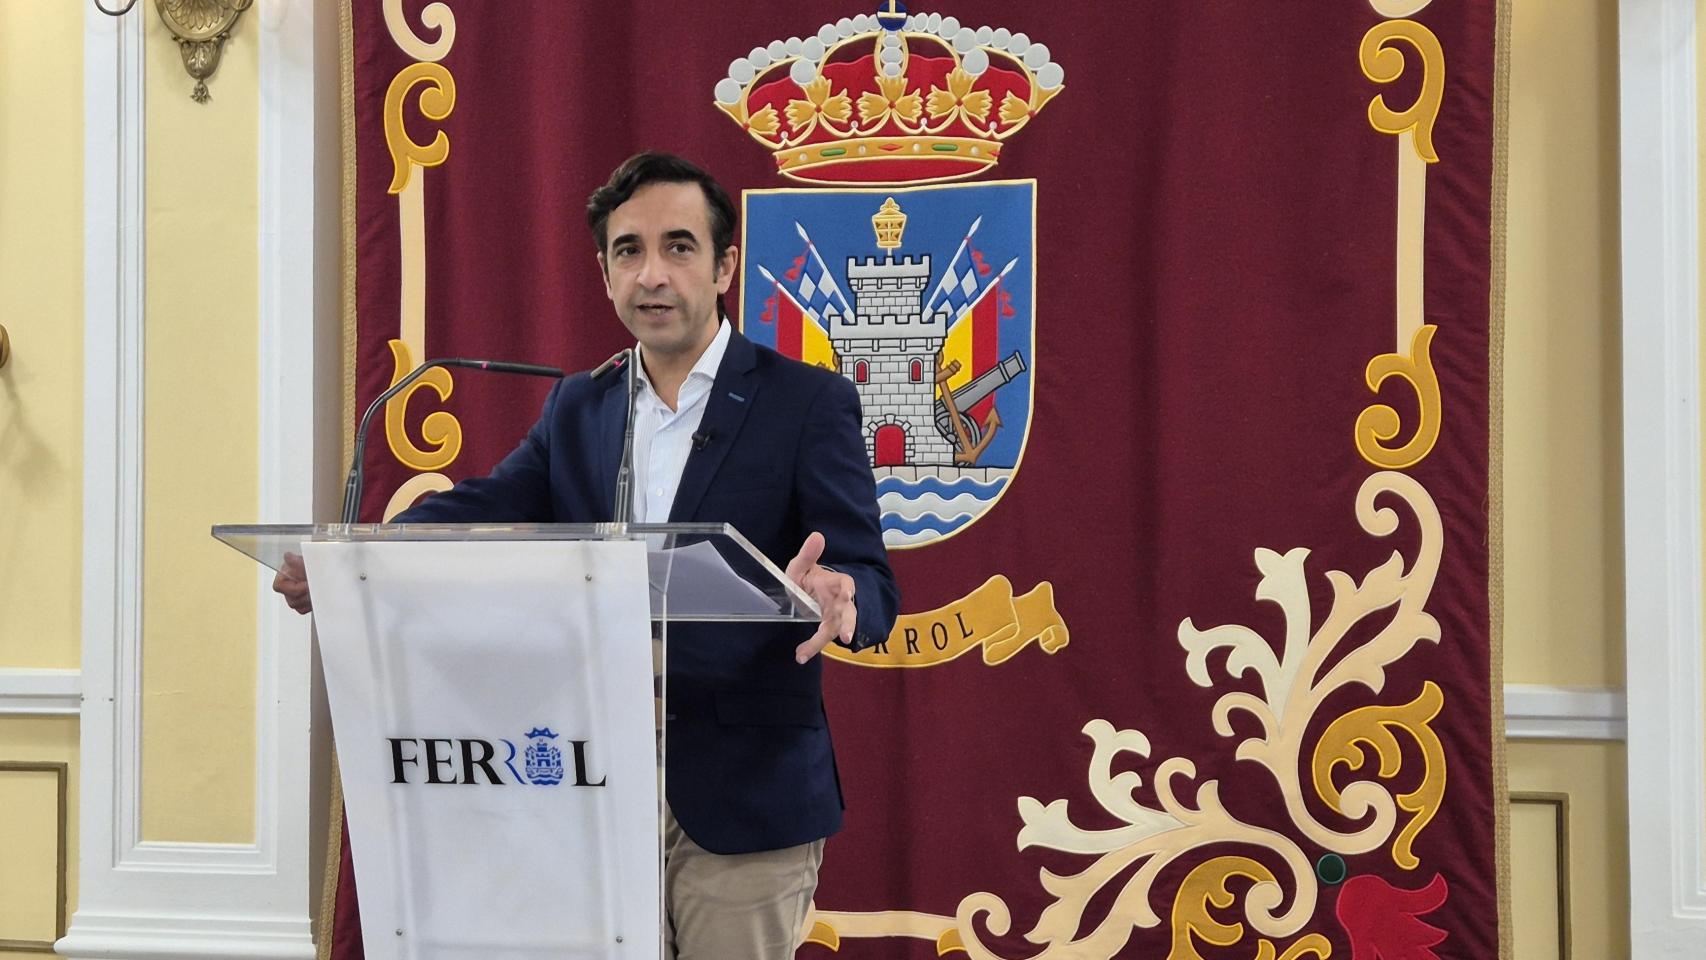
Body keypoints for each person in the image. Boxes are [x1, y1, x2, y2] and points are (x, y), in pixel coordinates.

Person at [273, 152, 898, 959]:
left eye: (679, 247)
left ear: (724, 268)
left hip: (746, 792)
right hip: (591, 784)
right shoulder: (580, 405)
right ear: (604, 274)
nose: (652, 274)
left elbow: (869, 579)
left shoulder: (805, 401)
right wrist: (352, 560)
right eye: (628, 251)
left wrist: (842, 596)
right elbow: (484, 506)